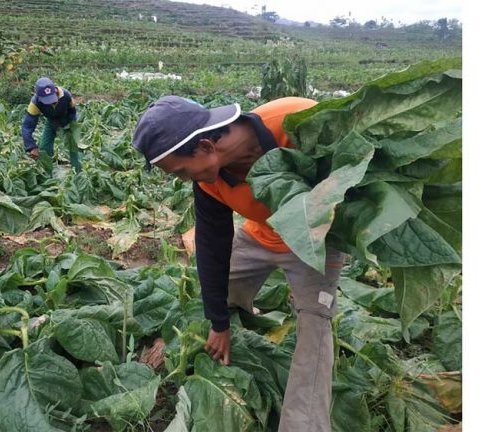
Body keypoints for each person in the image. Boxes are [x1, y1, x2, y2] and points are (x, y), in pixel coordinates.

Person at [131, 96, 344, 432]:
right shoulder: (208, 182)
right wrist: (218, 323)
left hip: (315, 243)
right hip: (260, 236)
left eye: (181, 170)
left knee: (315, 331)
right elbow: (212, 245)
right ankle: (224, 350)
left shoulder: (294, 120)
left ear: (204, 146)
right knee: (217, 293)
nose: (184, 180)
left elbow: (355, 164)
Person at [21, 77, 82, 173]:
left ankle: (79, 173)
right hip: (51, 122)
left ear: (56, 91)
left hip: (68, 120)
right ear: (39, 97)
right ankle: (47, 177)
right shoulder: (35, 103)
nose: (51, 102)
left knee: (74, 148)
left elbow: (72, 112)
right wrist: (31, 146)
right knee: (44, 149)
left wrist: (70, 127)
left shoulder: (66, 95)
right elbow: (27, 126)